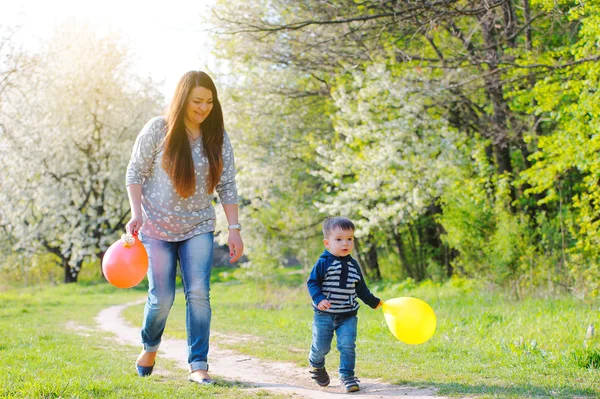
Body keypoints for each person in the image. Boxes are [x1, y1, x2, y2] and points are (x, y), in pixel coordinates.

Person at [125, 70, 243, 385]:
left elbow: (228, 186)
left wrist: (234, 228)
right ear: (182, 99)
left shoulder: (217, 136)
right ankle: (150, 347)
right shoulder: (158, 129)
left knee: (199, 294)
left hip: (198, 226)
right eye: (197, 101)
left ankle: (198, 364)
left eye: (209, 101)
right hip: (156, 228)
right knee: (161, 297)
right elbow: (135, 172)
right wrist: (136, 214)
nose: (203, 108)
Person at [306, 217, 381, 393]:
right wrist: (319, 299)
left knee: (347, 345)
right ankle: (316, 365)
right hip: (324, 315)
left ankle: (347, 376)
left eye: (349, 239)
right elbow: (312, 282)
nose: (345, 243)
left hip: (348, 315)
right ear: (327, 243)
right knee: (321, 347)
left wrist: (372, 301)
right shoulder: (323, 263)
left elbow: (360, 288)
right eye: (338, 239)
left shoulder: (354, 265)